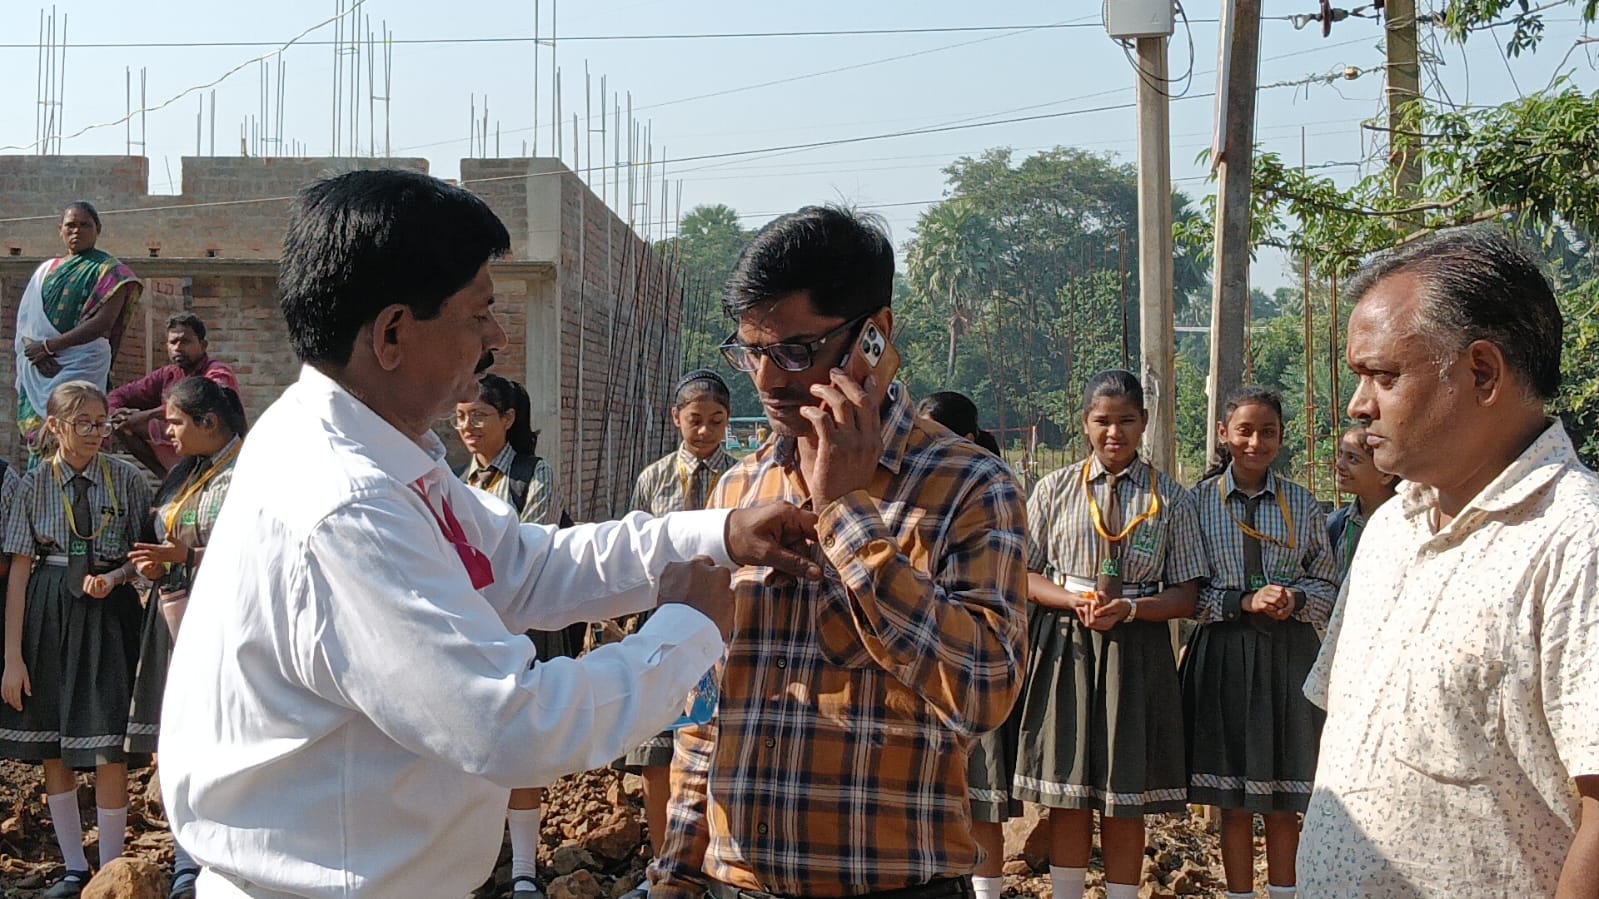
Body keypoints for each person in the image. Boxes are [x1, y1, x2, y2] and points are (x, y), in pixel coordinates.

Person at [156, 169, 821, 899]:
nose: (496, 339)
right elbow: (507, 724)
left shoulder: (372, 448)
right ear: (393, 333)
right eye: (479, 315)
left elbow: (524, 565)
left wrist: (720, 533)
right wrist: (687, 629)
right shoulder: (348, 503)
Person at [652, 205, 1029, 899]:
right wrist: (677, 868)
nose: (767, 381)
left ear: (874, 336)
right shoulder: (739, 489)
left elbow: (985, 690)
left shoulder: (970, 485)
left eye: (796, 352)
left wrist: (847, 515)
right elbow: (708, 708)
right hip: (737, 884)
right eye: (751, 352)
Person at [1300, 229, 1599, 898]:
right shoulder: (1390, 528)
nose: (1357, 405)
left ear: (1482, 372)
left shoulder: (1576, 540)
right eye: (1358, 377)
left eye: (1383, 376)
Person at [1010, 371, 1207, 899]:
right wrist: (1072, 600)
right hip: (1066, 642)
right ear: (1085, 424)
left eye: (1126, 420)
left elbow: (1187, 594)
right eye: (1103, 421)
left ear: (1145, 422)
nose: (1114, 432)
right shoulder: (1054, 489)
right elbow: (1024, 574)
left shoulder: (1170, 497)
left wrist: (1133, 608)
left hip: (1137, 647)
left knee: (1126, 794)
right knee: (1068, 789)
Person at [1183, 386, 1339, 899]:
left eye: (1267, 432)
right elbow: (1185, 593)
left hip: (1288, 658)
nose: (1256, 442)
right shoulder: (1197, 503)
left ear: (1281, 437)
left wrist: (1294, 597)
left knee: (1283, 798)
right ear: (1223, 434)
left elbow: (1327, 585)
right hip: (1224, 655)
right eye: (1245, 431)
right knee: (1232, 800)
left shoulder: (1302, 502)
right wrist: (1242, 601)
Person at [0, 380, 154, 899]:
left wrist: (117, 578)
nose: (94, 433)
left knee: (109, 742)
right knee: (54, 743)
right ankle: (72, 868)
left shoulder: (126, 479)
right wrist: (12, 658)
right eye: (82, 422)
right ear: (55, 426)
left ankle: (109, 868)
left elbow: (141, 555)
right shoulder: (32, 484)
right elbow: (20, 572)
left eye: (100, 422)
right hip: (49, 611)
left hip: (110, 614)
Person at [123, 377, 248, 899]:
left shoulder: (250, 473)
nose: (167, 431)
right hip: (173, 616)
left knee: (226, 737)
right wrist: (153, 567)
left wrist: (187, 557)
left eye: (175, 422)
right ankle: (185, 861)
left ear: (208, 422)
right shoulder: (183, 472)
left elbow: (257, 551)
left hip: (227, 621)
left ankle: (230, 858)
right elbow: (159, 535)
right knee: (179, 739)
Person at [617, 368, 738, 896]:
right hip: (662, 624)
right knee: (656, 751)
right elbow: (636, 552)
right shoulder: (654, 478)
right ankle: (661, 869)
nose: (705, 431)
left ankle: (715, 869)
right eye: (695, 420)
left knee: (716, 746)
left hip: (724, 629)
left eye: (716, 421)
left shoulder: (741, 476)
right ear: (676, 419)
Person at [455, 373, 573, 899]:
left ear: (508, 419)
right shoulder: (454, 480)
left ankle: (524, 869)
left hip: (522, 629)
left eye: (479, 416)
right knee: (472, 746)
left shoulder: (533, 474)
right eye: (461, 417)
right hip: (471, 631)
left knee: (521, 743)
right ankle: (475, 865)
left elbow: (527, 549)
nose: (468, 427)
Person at [915, 389, 1017, 899]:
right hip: (924, 675)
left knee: (983, 787)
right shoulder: (911, 493)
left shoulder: (988, 492)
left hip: (968, 671)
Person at [14, 202, 142, 466]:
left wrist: (49, 347)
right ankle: (41, 486)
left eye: (85, 225)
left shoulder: (112, 272)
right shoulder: (45, 271)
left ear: (98, 229)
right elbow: (26, 321)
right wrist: (35, 352)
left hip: (83, 364)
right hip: (39, 366)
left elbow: (103, 323)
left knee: (79, 429)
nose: (77, 231)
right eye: (70, 225)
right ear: (60, 229)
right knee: (43, 442)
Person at [109, 313, 240, 477]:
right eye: (173, 342)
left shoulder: (218, 371)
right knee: (122, 424)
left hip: (213, 448)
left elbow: (203, 402)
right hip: (178, 442)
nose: (178, 347)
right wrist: (116, 414)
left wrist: (145, 415)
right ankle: (170, 480)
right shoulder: (168, 374)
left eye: (185, 341)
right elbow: (119, 394)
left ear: (203, 345)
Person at [1325, 424, 1397, 579]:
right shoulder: (1337, 525)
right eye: (1340, 454)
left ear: (1386, 474)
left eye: (1352, 459)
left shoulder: (1408, 526)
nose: (1339, 464)